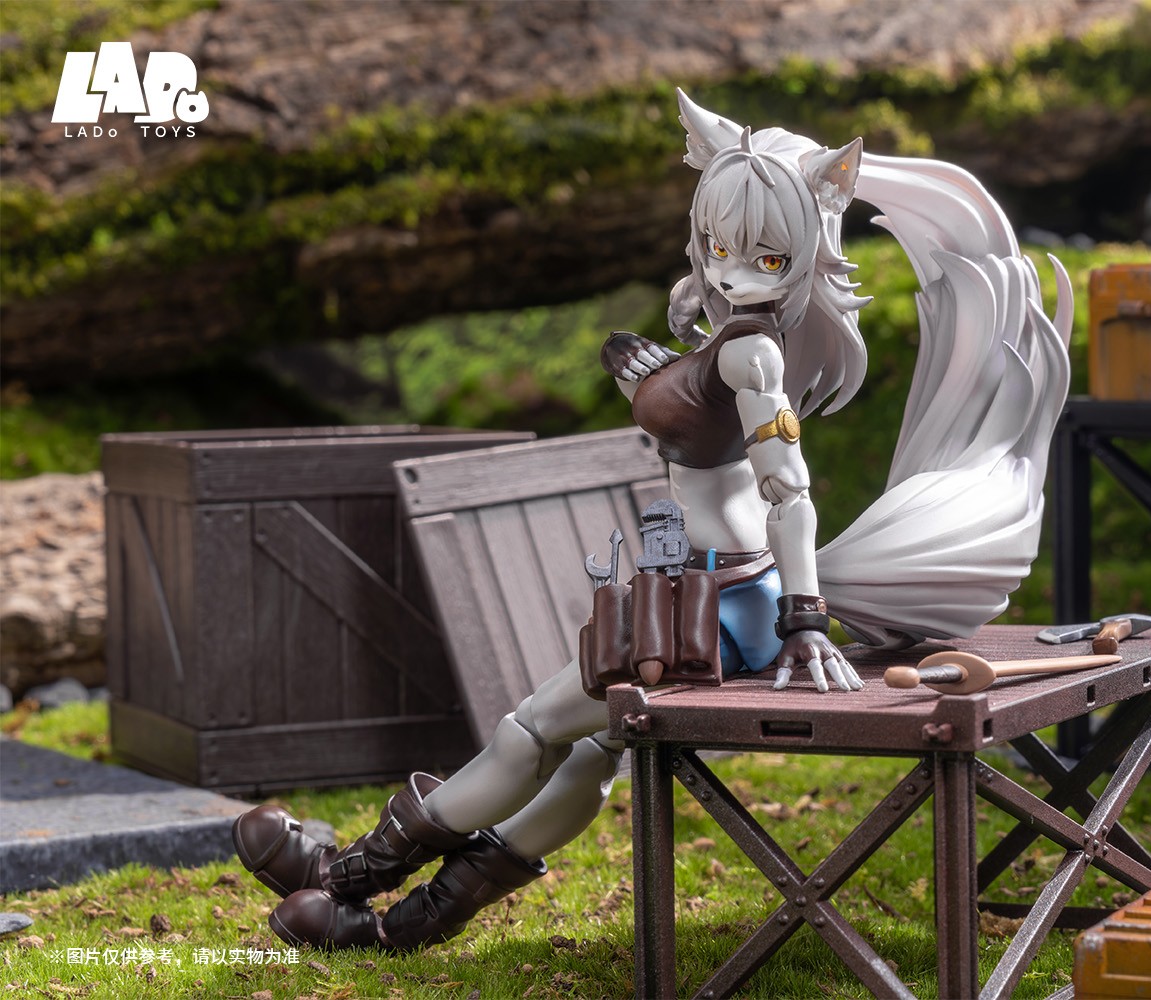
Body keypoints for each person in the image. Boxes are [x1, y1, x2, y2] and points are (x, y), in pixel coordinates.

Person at [232, 89, 1071, 951]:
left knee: (530, 730)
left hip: (719, 601)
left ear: (806, 249)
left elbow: (789, 491)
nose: (734, 273)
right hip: (712, 590)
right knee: (592, 753)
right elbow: (718, 414)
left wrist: (806, 618)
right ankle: (406, 921)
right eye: (719, 247)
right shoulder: (739, 338)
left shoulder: (754, 354)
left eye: (766, 258)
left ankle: (348, 877)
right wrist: (664, 360)